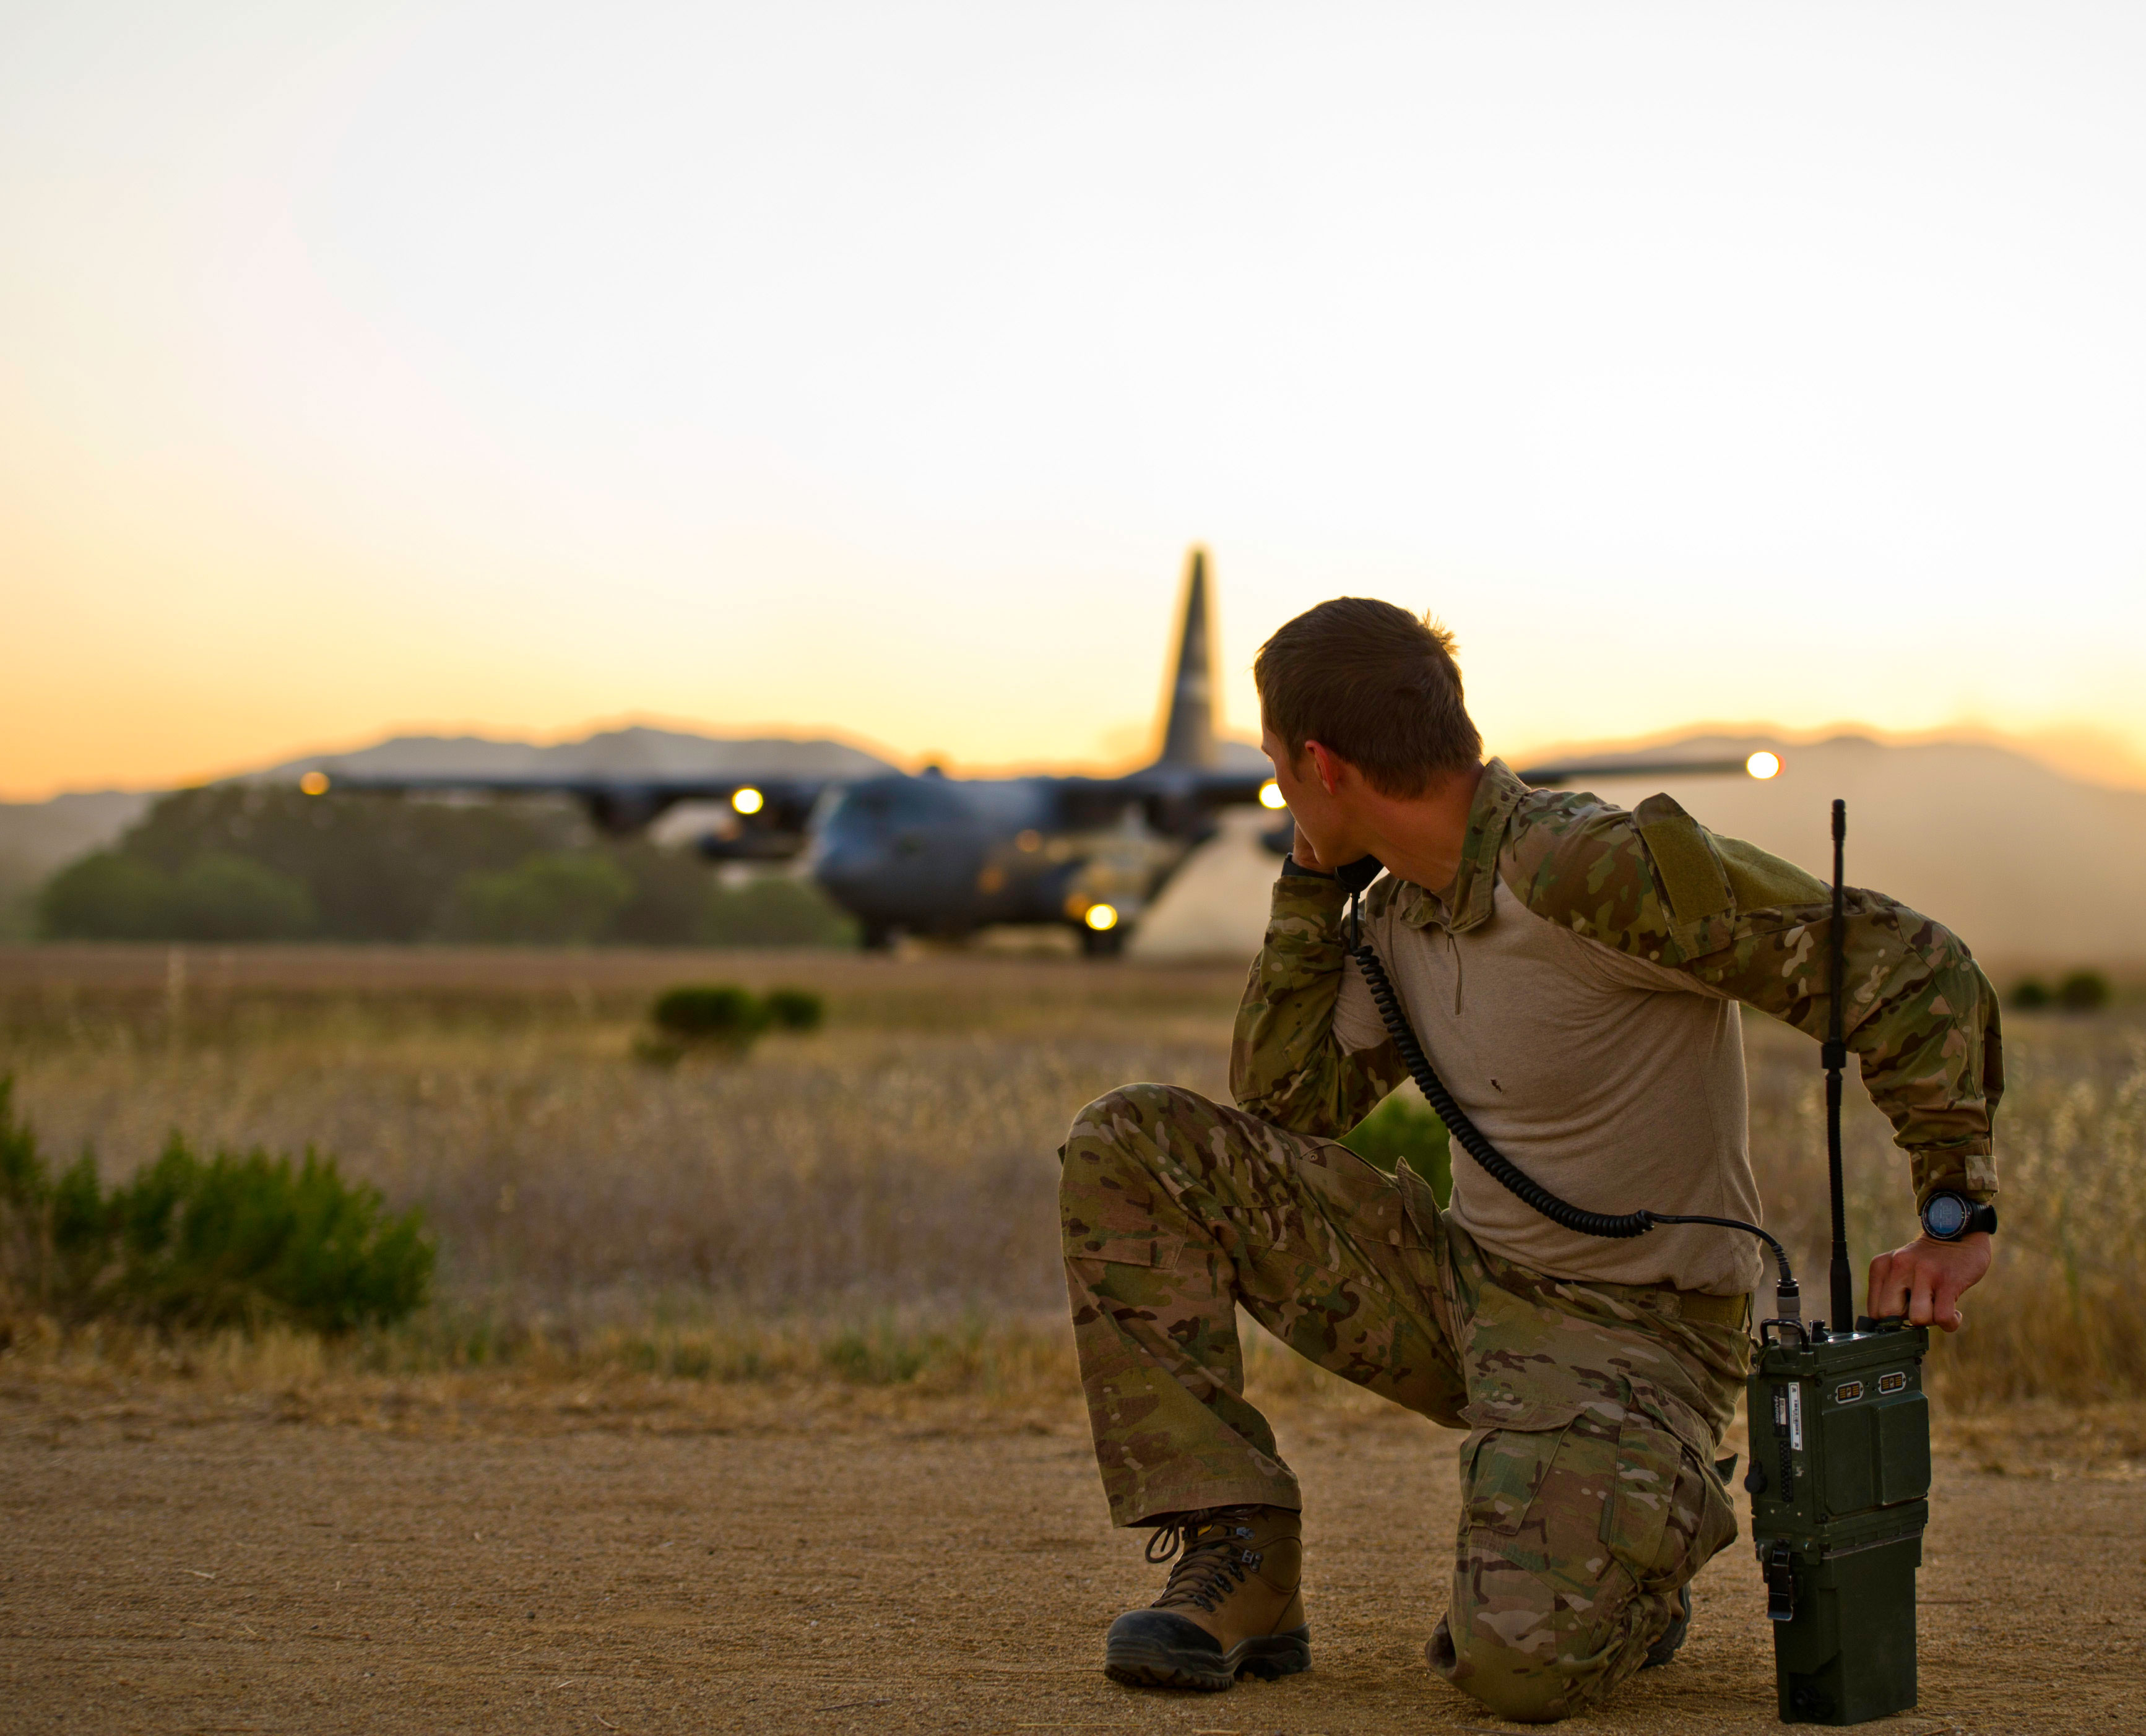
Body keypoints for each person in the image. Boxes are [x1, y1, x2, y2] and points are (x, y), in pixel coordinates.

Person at [1059, 598, 2000, 1723]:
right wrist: (1311, 886)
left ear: (1320, 762)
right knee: (1133, 1141)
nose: (1278, 791)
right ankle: (1244, 1558)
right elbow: (1288, 1103)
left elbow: (1913, 967)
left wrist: (1953, 1216)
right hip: (1465, 1292)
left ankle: (1644, 1528)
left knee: (1512, 1669)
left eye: (1276, 768)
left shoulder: (1592, 869)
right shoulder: (1394, 907)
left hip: (1639, 1334)